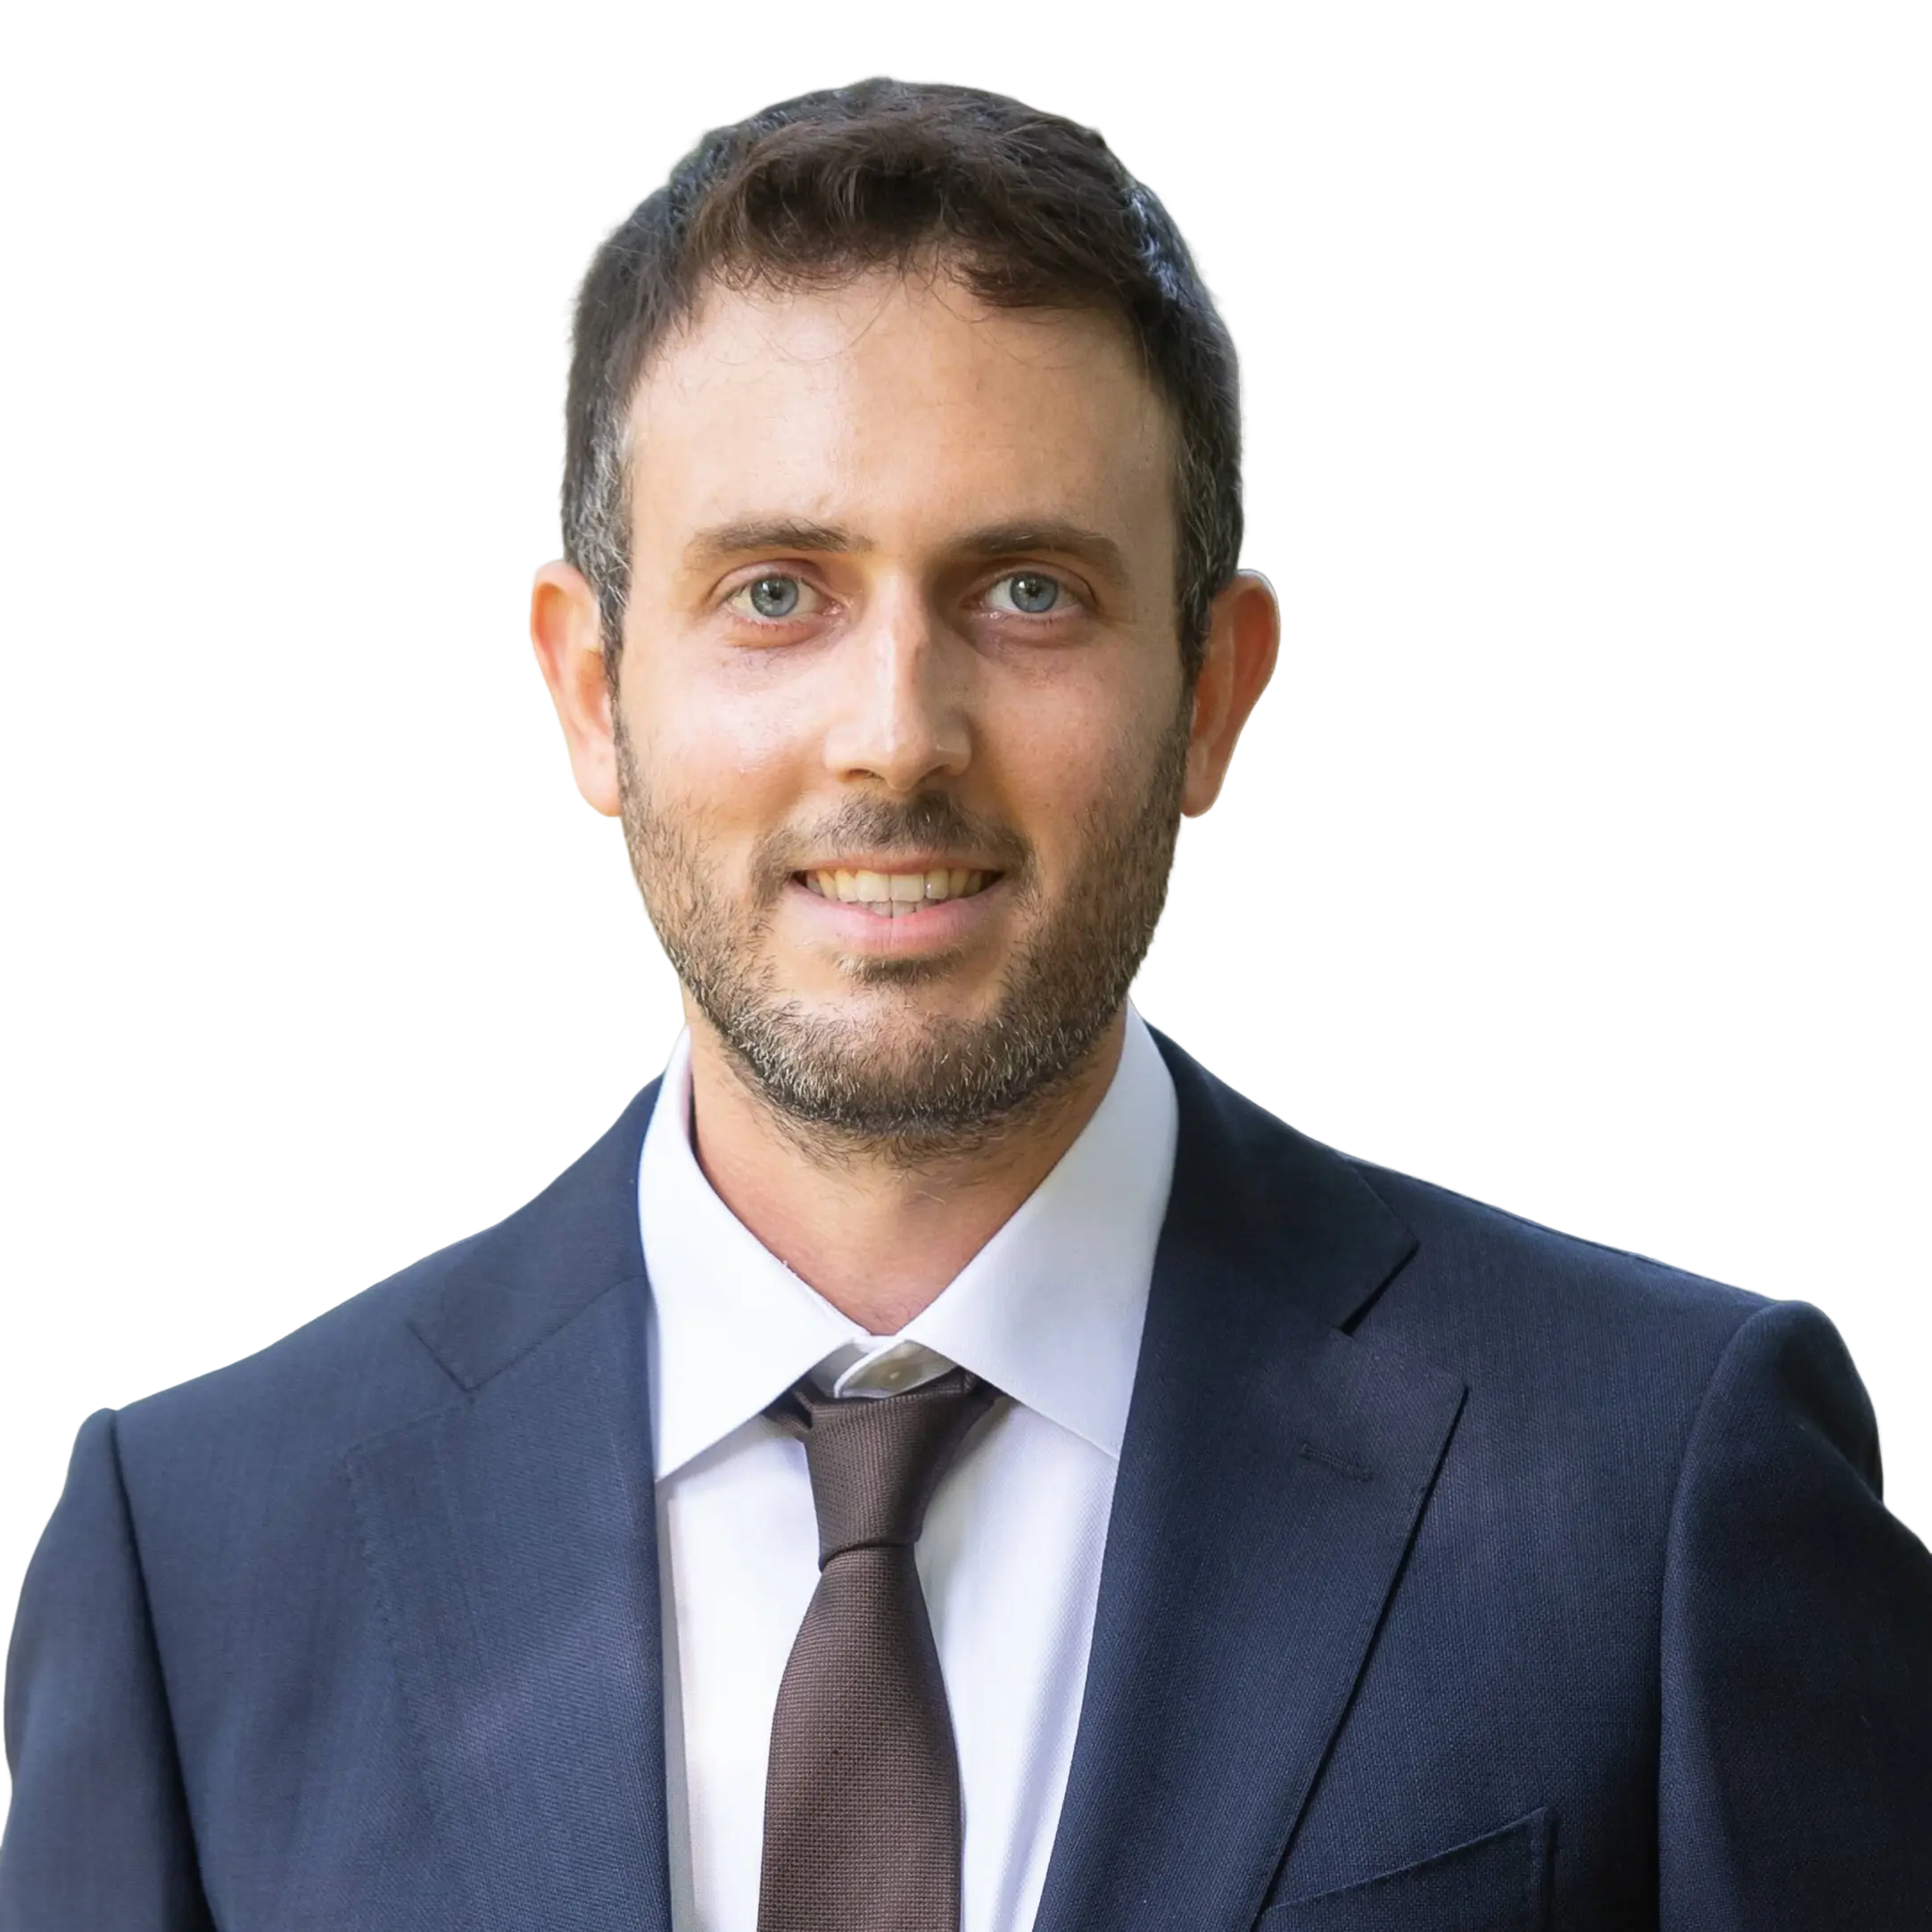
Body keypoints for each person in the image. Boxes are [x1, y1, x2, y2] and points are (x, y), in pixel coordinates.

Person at [4, 78, 1927, 1932]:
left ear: (1213, 696)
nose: (897, 736)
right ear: (585, 690)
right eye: (776, 592)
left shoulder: (1659, 1485)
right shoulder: (195, 1559)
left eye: (1026, 593)